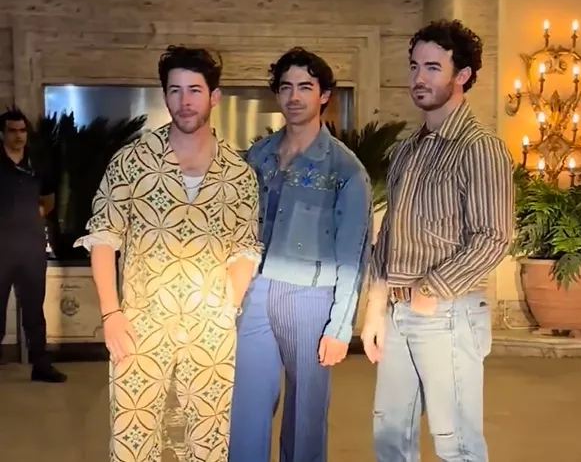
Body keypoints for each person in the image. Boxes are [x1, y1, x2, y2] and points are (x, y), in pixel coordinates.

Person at [74, 45, 262, 462]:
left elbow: (245, 248)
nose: (184, 101)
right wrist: (111, 314)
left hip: (210, 332)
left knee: (208, 442)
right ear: (165, 96)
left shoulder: (238, 174)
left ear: (214, 97)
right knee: (133, 440)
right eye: (175, 90)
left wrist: (226, 307)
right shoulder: (132, 161)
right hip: (139, 326)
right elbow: (103, 238)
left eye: (194, 90)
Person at [362, 19, 514, 462]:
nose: (419, 78)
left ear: (462, 75)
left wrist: (430, 291)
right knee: (391, 438)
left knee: (456, 445)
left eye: (432, 67)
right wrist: (375, 307)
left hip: (448, 314)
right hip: (397, 313)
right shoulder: (408, 149)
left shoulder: (479, 147)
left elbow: (493, 236)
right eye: (414, 66)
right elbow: (390, 233)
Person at [229, 47, 373, 462]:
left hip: (311, 298)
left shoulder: (346, 170)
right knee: (246, 408)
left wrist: (340, 327)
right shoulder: (257, 157)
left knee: (305, 415)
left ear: (324, 95)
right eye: (286, 87)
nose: (294, 96)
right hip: (254, 292)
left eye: (305, 87)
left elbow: (353, 255)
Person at [0, 107, 67, 382]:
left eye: (22, 130)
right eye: (12, 131)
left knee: (34, 310)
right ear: (2, 134)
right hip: (2, 248)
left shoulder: (36, 162)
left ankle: (41, 365)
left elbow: (49, 197)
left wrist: (38, 212)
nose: (19, 136)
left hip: (31, 247)